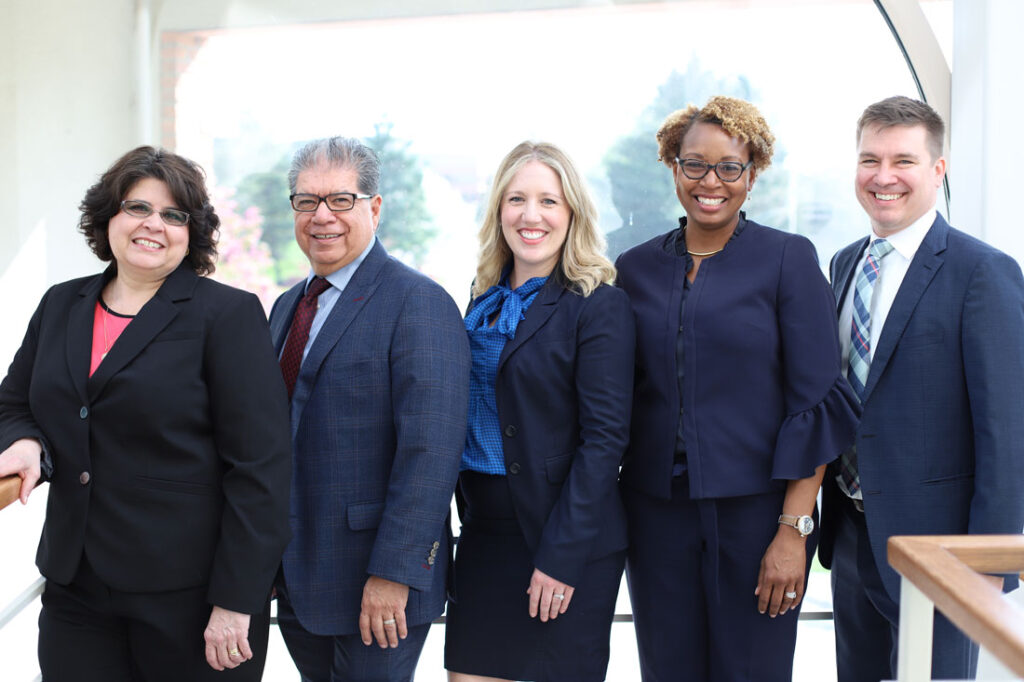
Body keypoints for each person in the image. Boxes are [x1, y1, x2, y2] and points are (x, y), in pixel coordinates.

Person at [0, 146, 292, 680]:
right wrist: (26, 442)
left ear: (191, 232)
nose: (153, 225)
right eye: (137, 208)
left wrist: (236, 601)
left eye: (173, 215)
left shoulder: (226, 316)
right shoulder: (60, 306)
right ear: (109, 217)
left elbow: (261, 470)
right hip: (76, 590)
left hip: (191, 599)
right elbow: (13, 404)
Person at [615, 96, 860, 682]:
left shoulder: (788, 259)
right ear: (673, 167)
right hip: (655, 517)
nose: (711, 182)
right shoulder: (634, 268)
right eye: (694, 164)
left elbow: (816, 403)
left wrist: (792, 530)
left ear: (752, 176)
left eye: (730, 167)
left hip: (757, 519)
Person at [818, 95, 1024, 681]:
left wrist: (989, 566)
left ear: (938, 169)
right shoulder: (844, 263)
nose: (883, 177)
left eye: (903, 160)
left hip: (945, 553)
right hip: (852, 538)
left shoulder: (982, 272)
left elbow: (1006, 430)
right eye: (869, 159)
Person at [269, 136, 470, 682]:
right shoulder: (288, 306)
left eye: (341, 200)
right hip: (298, 575)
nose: (322, 216)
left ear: (374, 208)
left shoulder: (418, 303)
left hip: (377, 584)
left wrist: (395, 574)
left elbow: (431, 452)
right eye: (306, 201)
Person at [444, 141, 635, 682]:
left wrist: (561, 557)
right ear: (498, 210)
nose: (531, 216)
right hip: (484, 532)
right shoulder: (482, 295)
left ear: (572, 212)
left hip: (561, 535)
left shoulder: (597, 303)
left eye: (549, 201)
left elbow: (604, 441)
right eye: (517, 199)